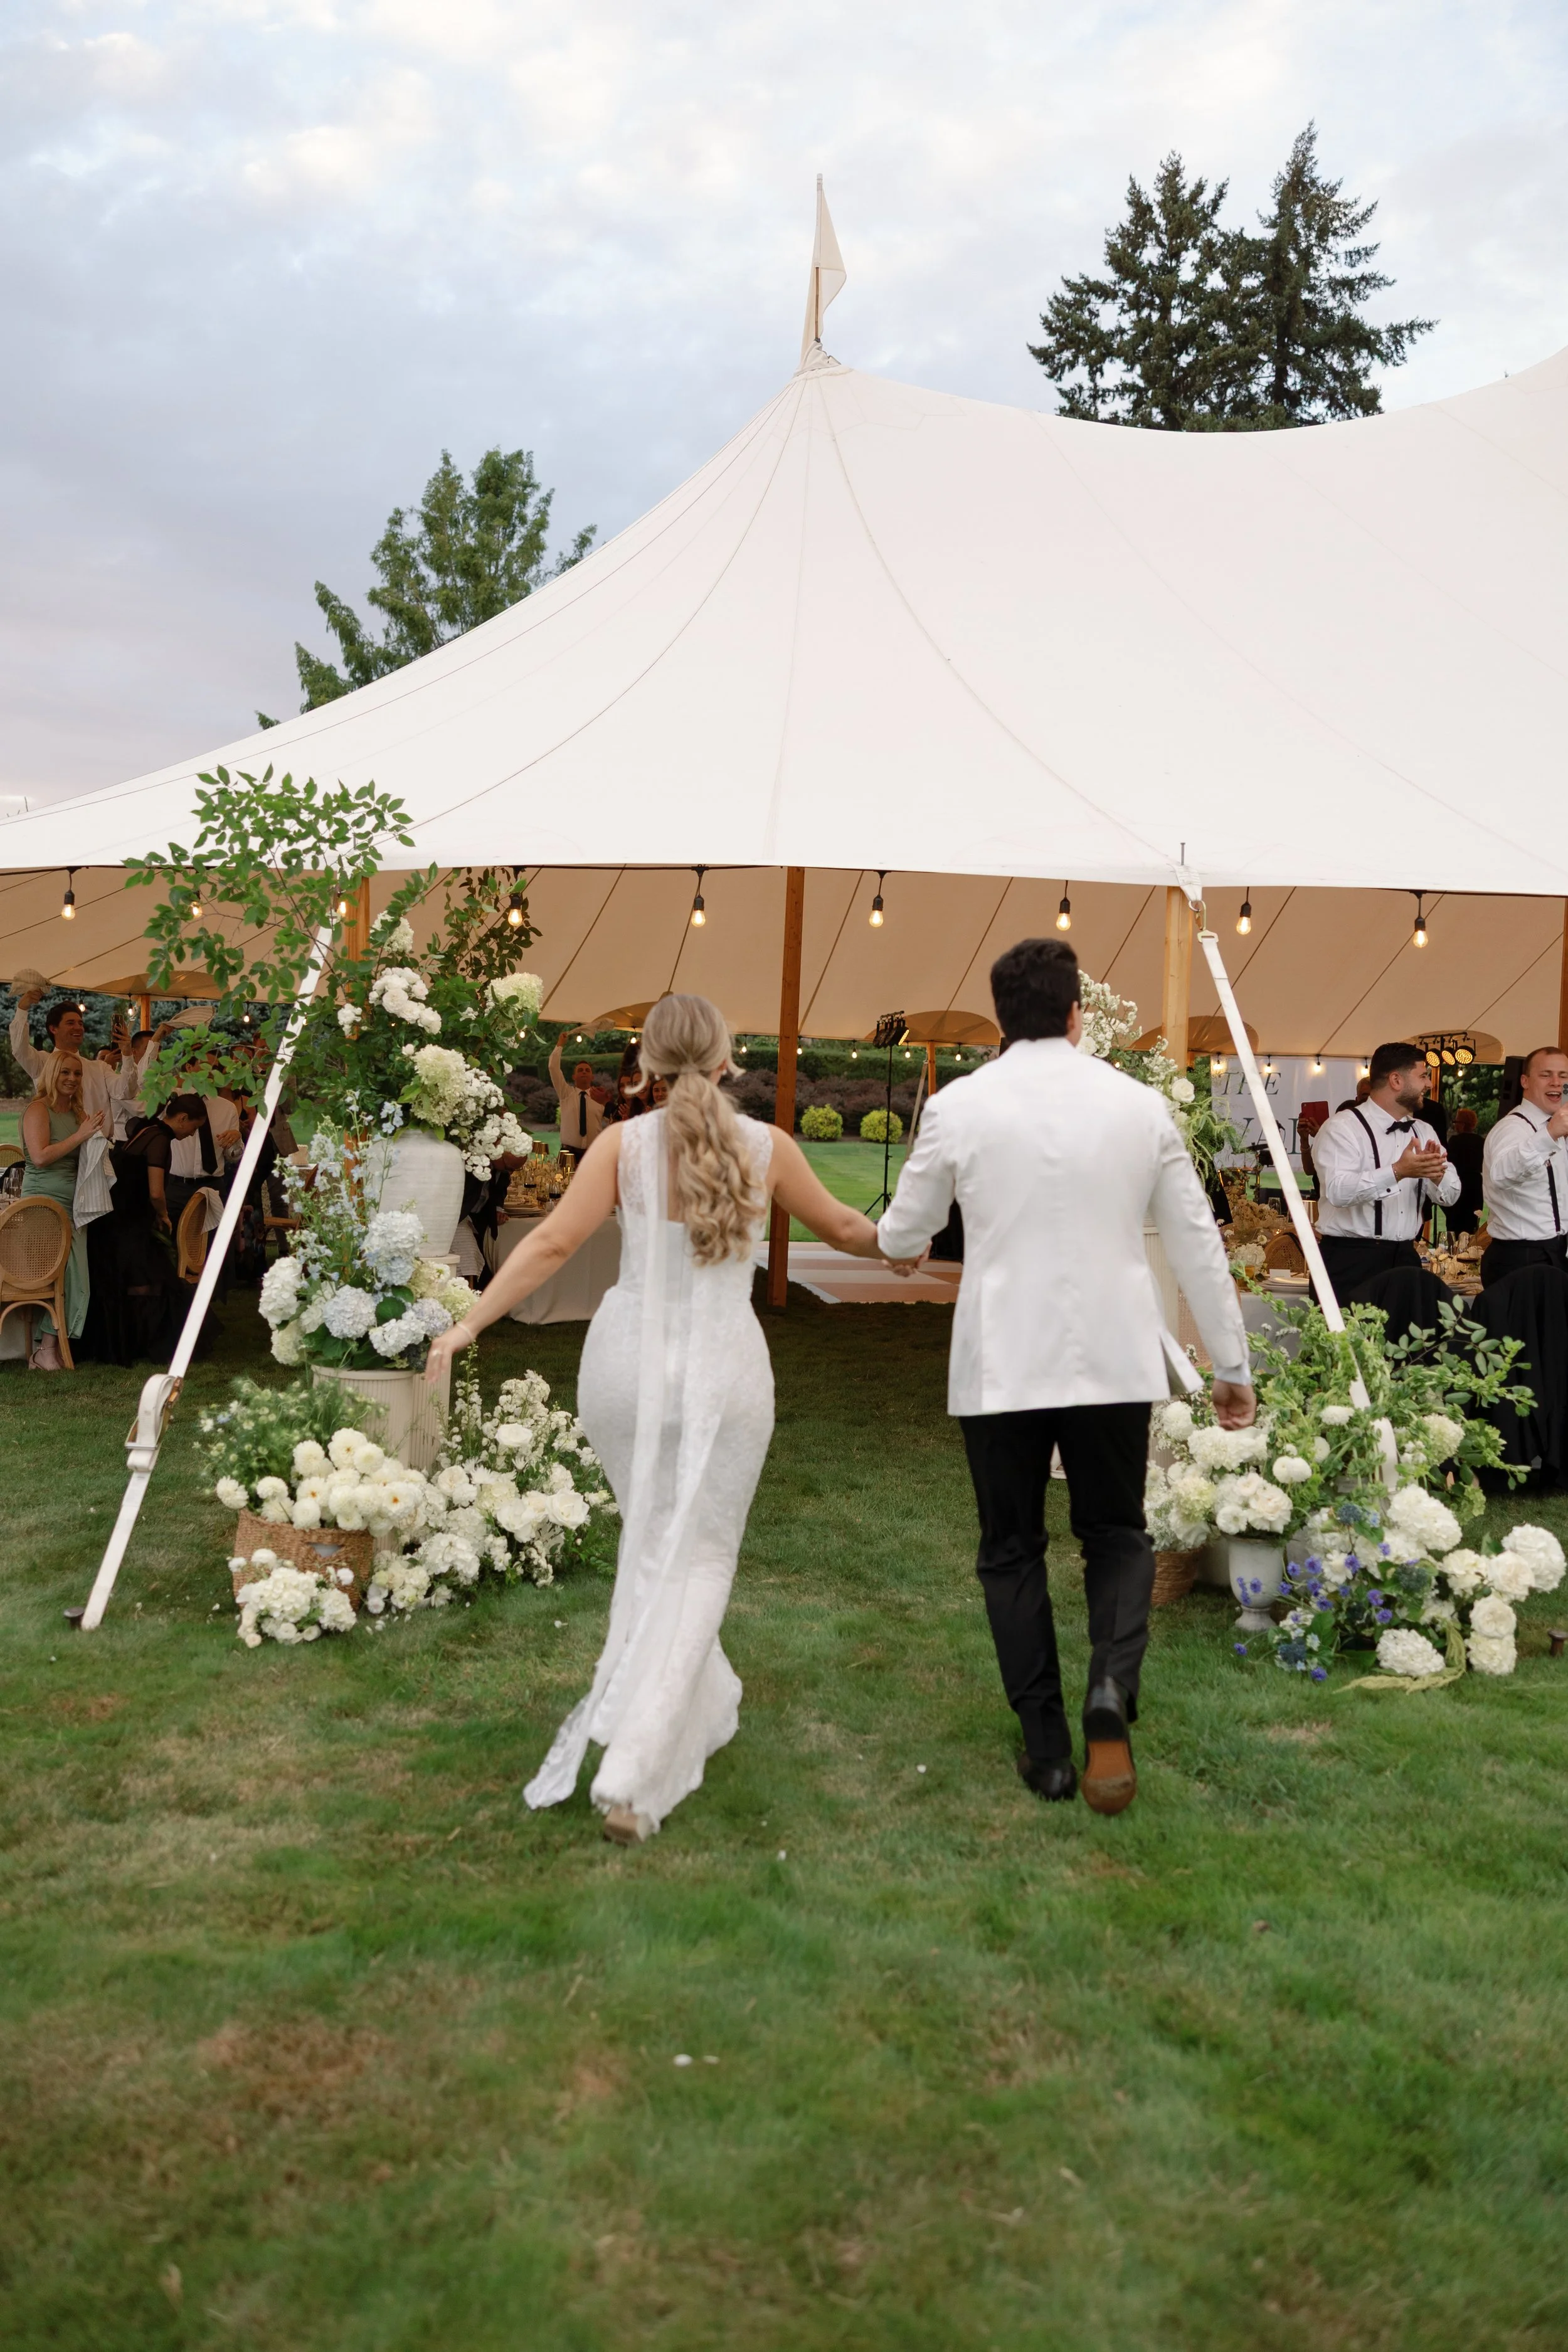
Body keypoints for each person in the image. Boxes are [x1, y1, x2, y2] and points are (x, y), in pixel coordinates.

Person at [425, 992, 914, 1846]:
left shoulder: (621, 1145)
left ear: (644, 1065)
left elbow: (550, 1244)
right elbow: (843, 1227)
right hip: (725, 1372)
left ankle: (686, 1704)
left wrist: (469, 1323)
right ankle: (637, 1767)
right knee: (703, 1556)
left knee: (657, 1544)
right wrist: (900, 1240)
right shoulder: (768, 1146)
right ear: (728, 1060)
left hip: (627, 1370)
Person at [874, 938, 1254, 1818]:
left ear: (1002, 1017)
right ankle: (1110, 1686)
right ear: (1078, 1013)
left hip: (1001, 1359)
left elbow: (903, 1232)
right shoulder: (1138, 1106)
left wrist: (903, 1244)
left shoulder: (959, 1105)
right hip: (1113, 1355)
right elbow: (1196, 1241)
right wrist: (1231, 1367)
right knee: (1117, 1533)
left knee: (1011, 1548)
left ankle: (1046, 1749)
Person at [1311, 1042, 1459, 1298]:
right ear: (1396, 1080)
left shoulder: (1424, 1131)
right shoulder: (1342, 1128)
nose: (1428, 1084)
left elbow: (1452, 1195)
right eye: (1423, 1076)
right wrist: (1397, 1172)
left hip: (1406, 1259)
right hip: (1350, 1262)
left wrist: (1437, 1175)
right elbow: (1338, 1191)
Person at [80, 1096, 206, 1365]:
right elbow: (156, 1191)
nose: (192, 1134)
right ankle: (148, 1341)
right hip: (128, 1221)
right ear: (182, 1119)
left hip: (117, 1218)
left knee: (132, 1278)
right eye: (194, 1128)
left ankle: (131, 1339)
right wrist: (163, 1214)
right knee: (148, 1278)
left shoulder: (145, 1130)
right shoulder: (160, 1140)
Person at [19, 1051, 105, 1369]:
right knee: (63, 1275)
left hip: (76, 1204)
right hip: (44, 1204)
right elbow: (40, 1157)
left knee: (78, 1279)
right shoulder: (38, 1109)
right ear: (52, 1074)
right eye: (65, 1072)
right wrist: (81, 1136)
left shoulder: (78, 1113)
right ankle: (46, 1349)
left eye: (77, 1074)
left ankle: (49, 1347)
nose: (72, 1079)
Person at [1480, 1046, 1568, 1286]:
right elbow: (1501, 1175)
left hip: (1555, 1254)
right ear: (1525, 1081)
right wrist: (1549, 1135)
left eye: (1563, 1076)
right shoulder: (1512, 1128)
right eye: (1546, 1075)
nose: (1556, 1082)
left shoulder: (1558, 1129)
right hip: (1519, 1258)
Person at [10, 990, 139, 1125]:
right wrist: (22, 1009)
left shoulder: (99, 1068)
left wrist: (127, 1054)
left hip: (100, 1138)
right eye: (71, 1023)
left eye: (81, 1024)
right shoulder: (43, 1062)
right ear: (53, 1029)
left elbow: (126, 1092)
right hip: (59, 1138)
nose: (78, 1028)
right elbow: (19, 1049)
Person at [548, 1037, 610, 1159]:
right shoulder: (565, 1093)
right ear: (574, 1076)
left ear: (592, 1077)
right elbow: (553, 1067)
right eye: (580, 1070)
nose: (584, 1072)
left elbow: (612, 1120)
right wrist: (560, 1044)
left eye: (587, 1070)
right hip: (568, 1153)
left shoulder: (599, 1097)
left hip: (593, 1154)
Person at [1446, 1106, 1486, 1239]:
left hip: (1458, 1184)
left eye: (1456, 1122)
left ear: (1462, 1124)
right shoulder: (1481, 1142)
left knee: (1454, 1224)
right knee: (1472, 1225)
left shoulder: (1455, 1141)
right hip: (1475, 1186)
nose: (1455, 1125)